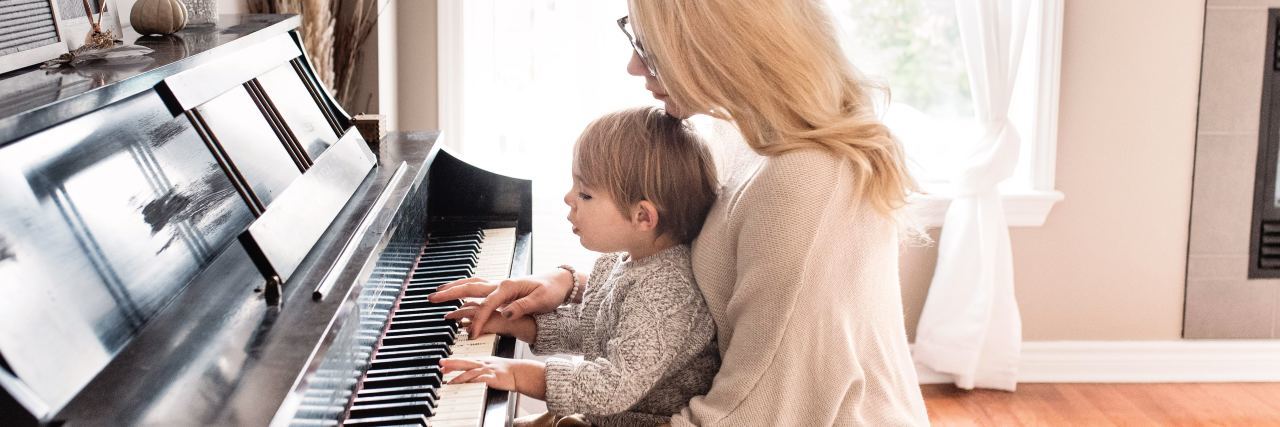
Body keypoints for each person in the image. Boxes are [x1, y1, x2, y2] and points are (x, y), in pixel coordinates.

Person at [430, 0, 931, 424]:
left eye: (648, 45)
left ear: (716, 43)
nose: (632, 65)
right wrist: (572, 285)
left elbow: (754, 410)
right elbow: (694, 292)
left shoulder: (805, 180)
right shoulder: (737, 133)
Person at [439, 106, 721, 427]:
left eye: (585, 194)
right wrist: (514, 324)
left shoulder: (668, 293)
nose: (568, 198)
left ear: (643, 216)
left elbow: (613, 385)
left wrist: (520, 374)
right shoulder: (627, 259)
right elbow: (594, 331)